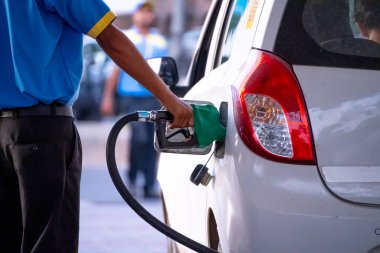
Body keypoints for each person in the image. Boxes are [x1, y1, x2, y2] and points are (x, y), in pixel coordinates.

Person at [0, 0, 193, 252]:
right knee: (50, 243)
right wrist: (171, 100)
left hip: (4, 130)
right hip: (43, 130)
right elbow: (110, 38)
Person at [101, 1, 168, 199]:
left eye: (149, 12)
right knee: (139, 138)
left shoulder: (160, 41)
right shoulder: (127, 38)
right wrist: (107, 97)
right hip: (131, 97)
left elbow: (163, 73)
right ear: (135, 15)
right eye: (142, 12)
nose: (146, 16)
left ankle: (149, 184)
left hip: (152, 97)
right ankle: (131, 178)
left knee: (152, 141)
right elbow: (114, 71)